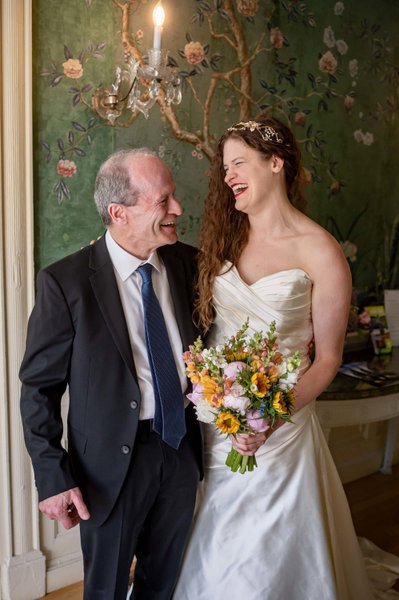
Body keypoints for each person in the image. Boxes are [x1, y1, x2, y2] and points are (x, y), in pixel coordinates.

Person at [173, 116, 377, 599]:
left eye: (239, 163)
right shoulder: (223, 241)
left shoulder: (321, 252)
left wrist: (268, 419)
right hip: (214, 428)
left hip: (281, 431)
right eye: (225, 168)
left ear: (276, 163)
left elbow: (326, 360)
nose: (228, 177)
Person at [19, 148, 203, 600]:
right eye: (164, 201)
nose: (177, 209)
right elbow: (38, 389)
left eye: (174, 197)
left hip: (180, 449)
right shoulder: (65, 283)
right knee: (105, 587)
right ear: (118, 212)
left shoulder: (189, 263)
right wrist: (52, 476)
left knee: (163, 582)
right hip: (108, 465)